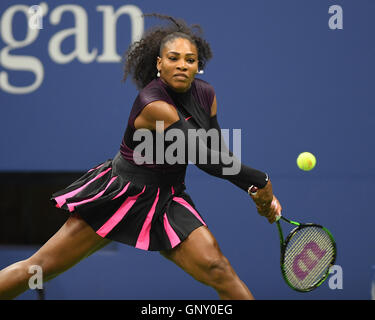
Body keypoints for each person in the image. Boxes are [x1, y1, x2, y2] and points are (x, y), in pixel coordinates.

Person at [0, 14, 282, 300]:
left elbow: (217, 152)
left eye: (190, 60)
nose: (182, 65)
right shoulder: (154, 105)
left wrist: (256, 191)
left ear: (199, 66)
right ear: (159, 64)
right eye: (173, 58)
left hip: (168, 199)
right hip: (121, 195)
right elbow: (203, 157)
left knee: (218, 268)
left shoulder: (206, 95)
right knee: (37, 269)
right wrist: (260, 180)